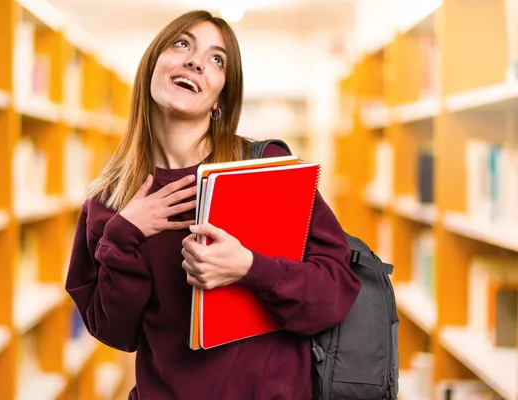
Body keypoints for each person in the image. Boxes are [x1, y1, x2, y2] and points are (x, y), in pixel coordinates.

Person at [65, 9, 361, 400]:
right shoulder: (109, 200)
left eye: (216, 59)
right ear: (152, 65)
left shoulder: (264, 167)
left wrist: (250, 268)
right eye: (182, 44)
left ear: (221, 95)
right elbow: (116, 333)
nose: (195, 61)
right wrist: (125, 235)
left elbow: (334, 294)